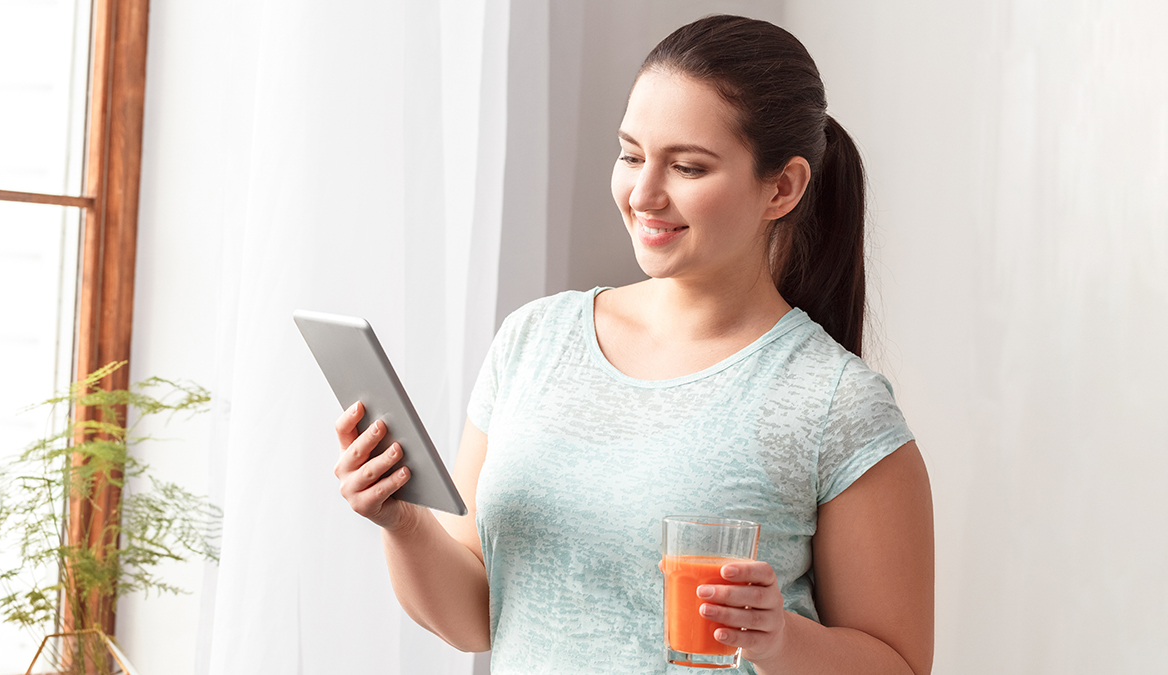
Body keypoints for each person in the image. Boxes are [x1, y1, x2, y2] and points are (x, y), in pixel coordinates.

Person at [334, 14, 934, 675]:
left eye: (687, 166)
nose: (643, 194)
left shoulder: (836, 402)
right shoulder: (532, 341)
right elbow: (477, 615)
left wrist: (780, 639)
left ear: (783, 187)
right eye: (630, 154)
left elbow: (899, 665)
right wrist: (402, 521)